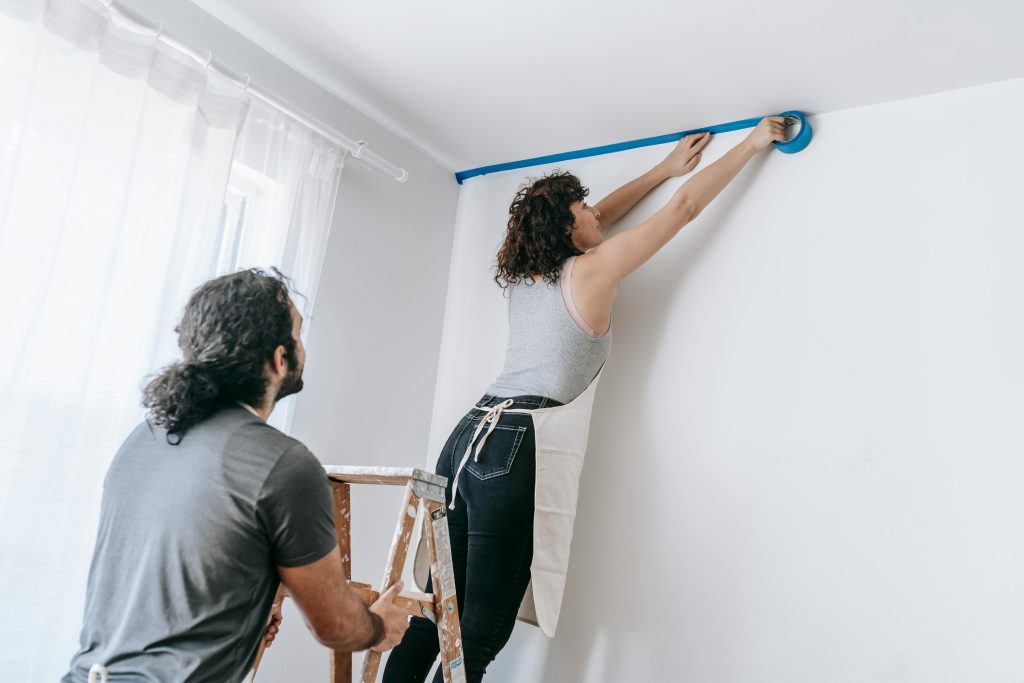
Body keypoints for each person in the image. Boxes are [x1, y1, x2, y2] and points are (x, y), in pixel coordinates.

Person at [383, 117, 788, 682]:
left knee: (434, 612)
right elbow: (684, 211)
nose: (597, 214)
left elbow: (608, 215)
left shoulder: (528, 276)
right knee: (477, 631)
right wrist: (753, 142)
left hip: (464, 442)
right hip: (512, 446)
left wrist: (663, 169)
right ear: (570, 234)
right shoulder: (593, 270)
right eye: (585, 213)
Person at [63, 268, 409, 682]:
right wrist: (379, 626)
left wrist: (240, 618)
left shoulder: (147, 436)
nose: (302, 346)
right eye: (298, 335)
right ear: (280, 360)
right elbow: (334, 624)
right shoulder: (285, 465)